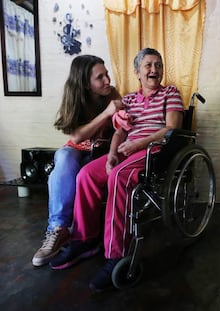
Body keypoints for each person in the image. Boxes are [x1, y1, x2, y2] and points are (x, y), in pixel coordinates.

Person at [49, 48, 184, 292]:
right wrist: (112, 154)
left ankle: (116, 255)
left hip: (154, 150)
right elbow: (120, 132)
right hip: (125, 149)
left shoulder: (170, 93)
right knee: (87, 174)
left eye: (158, 65)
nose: (154, 70)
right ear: (137, 72)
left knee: (120, 177)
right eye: (148, 65)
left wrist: (138, 144)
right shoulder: (129, 100)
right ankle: (84, 239)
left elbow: (171, 128)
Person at [32, 55, 123, 267]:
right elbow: (76, 137)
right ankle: (58, 229)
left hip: (103, 151)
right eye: (100, 77)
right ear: (85, 83)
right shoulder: (74, 97)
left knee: (79, 165)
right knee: (63, 157)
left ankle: (80, 234)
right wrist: (107, 113)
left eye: (106, 74)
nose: (107, 80)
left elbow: (122, 128)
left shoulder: (113, 94)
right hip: (77, 149)